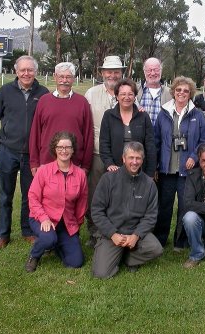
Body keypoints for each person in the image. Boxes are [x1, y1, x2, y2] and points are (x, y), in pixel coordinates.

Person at [0, 55, 49, 249]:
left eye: (30, 70)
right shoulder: (5, 91)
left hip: (32, 156)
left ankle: (27, 230)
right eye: (23, 70)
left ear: (35, 72)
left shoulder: (44, 93)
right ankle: (3, 234)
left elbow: (47, 124)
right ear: (16, 71)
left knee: (30, 195)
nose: (26, 73)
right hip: (8, 152)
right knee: (6, 195)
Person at [154, 76, 205, 249]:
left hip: (188, 171)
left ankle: (181, 241)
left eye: (186, 91)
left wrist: (194, 157)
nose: (182, 93)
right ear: (173, 92)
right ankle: (160, 241)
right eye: (178, 90)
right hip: (167, 170)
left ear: (190, 93)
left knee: (185, 207)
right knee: (164, 207)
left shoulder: (197, 115)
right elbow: (156, 141)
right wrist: (156, 165)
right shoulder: (163, 113)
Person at [91, 142, 163, 278]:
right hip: (112, 233)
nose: (134, 162)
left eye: (138, 158)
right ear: (123, 158)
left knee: (156, 249)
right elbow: (97, 211)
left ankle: (128, 258)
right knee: (100, 274)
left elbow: (151, 216)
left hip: (135, 233)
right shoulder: (108, 179)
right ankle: (115, 253)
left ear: (142, 160)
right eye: (131, 158)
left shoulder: (149, 184)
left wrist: (136, 235)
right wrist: (113, 234)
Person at [25, 132, 88, 272]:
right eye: (60, 147)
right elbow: (33, 196)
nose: (64, 151)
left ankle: (56, 244)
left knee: (76, 262)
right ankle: (34, 256)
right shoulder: (44, 171)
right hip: (42, 219)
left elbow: (82, 203)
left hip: (66, 223)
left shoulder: (80, 174)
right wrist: (44, 219)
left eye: (67, 147)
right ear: (55, 149)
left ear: (73, 150)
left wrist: (76, 226)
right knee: (48, 238)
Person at [84, 55, 125, 247]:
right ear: (102, 73)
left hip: (121, 155)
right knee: (95, 195)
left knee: (118, 196)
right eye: (109, 71)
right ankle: (94, 232)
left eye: (117, 71)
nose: (113, 75)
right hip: (97, 153)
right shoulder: (91, 93)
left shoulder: (128, 92)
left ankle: (117, 229)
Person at [29, 62, 93, 175]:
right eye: (61, 76)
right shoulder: (44, 101)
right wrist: (34, 162)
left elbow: (88, 135)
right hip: (47, 162)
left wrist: (86, 165)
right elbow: (35, 133)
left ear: (73, 79)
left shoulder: (82, 102)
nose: (64, 80)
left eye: (68, 77)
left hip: (74, 164)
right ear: (55, 77)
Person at [99, 78, 156, 177]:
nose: (127, 97)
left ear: (135, 97)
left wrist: (150, 173)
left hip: (139, 171)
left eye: (130, 94)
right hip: (115, 171)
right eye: (122, 94)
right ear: (116, 96)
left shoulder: (143, 117)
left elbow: (150, 146)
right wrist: (109, 163)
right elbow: (104, 143)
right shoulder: (108, 116)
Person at [137, 57, 172, 125]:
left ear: (161, 71)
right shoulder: (134, 91)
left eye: (156, 70)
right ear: (144, 72)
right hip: (139, 135)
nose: (153, 73)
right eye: (149, 70)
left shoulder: (170, 94)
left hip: (161, 135)